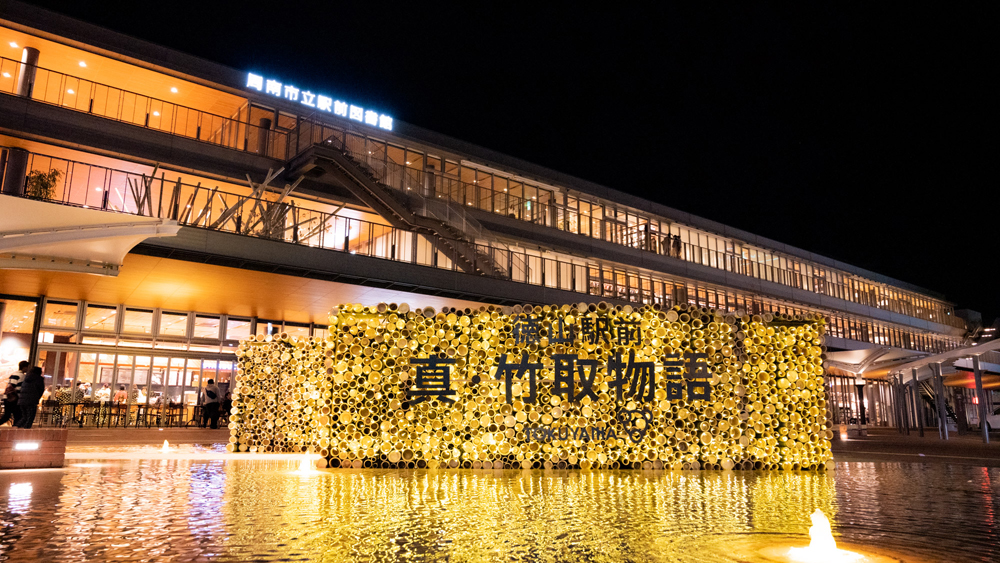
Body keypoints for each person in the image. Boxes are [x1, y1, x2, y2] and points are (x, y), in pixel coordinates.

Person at [0, 361, 27, 426]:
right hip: (14, 398)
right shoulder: (22, 376)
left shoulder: (13, 374)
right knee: (18, 416)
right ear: (24, 367)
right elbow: (19, 389)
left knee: (7, 415)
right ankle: (14, 429)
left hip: (7, 397)